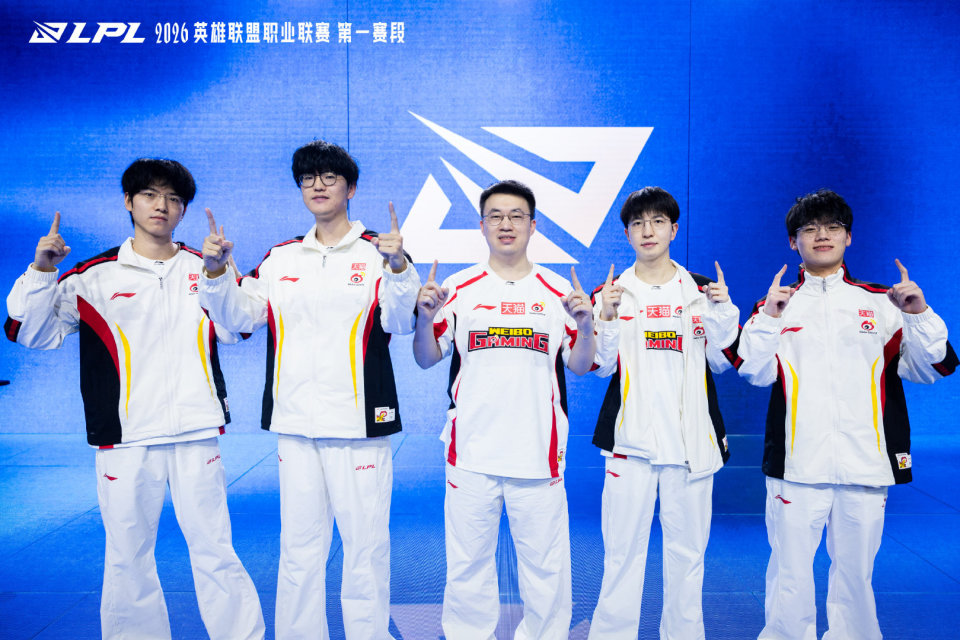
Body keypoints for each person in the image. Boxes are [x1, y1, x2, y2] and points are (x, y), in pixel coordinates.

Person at [4, 158, 264, 640]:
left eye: (173, 198)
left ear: (183, 209)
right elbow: (30, 333)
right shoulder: (92, 277)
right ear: (129, 201)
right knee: (128, 558)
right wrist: (42, 271)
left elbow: (241, 327)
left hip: (195, 433)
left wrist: (216, 275)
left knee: (215, 551)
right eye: (149, 194)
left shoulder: (205, 266)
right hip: (124, 437)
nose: (161, 205)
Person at [198, 140, 420, 639]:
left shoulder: (380, 253)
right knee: (299, 550)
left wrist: (399, 268)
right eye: (308, 178)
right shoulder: (280, 259)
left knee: (365, 550)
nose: (318, 186)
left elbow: (401, 322)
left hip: (360, 425)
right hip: (296, 425)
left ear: (351, 188)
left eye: (329, 177)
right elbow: (237, 318)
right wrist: (215, 273)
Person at [737, 189, 957, 640]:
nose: (822, 235)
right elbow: (754, 373)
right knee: (790, 576)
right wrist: (770, 318)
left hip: (865, 464)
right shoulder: (776, 305)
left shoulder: (883, 302)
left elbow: (931, 368)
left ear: (849, 237)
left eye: (833, 227)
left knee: (856, 578)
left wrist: (919, 313)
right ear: (793, 241)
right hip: (796, 465)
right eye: (809, 228)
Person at [412, 179, 597, 639]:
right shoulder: (458, 287)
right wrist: (424, 318)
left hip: (538, 453)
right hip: (471, 453)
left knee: (546, 569)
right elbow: (426, 357)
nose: (506, 224)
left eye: (516, 215)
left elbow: (579, 366)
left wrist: (586, 325)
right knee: (467, 567)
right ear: (481, 225)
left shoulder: (558, 290)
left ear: (533, 226)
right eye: (495, 216)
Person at [587, 186, 739, 639]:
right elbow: (600, 366)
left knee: (688, 559)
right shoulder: (611, 292)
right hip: (629, 446)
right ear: (627, 234)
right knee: (621, 557)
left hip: (691, 449)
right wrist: (606, 318)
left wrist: (722, 312)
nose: (647, 230)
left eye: (657, 221)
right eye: (637, 223)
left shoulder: (703, 291)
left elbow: (722, 361)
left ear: (674, 229)